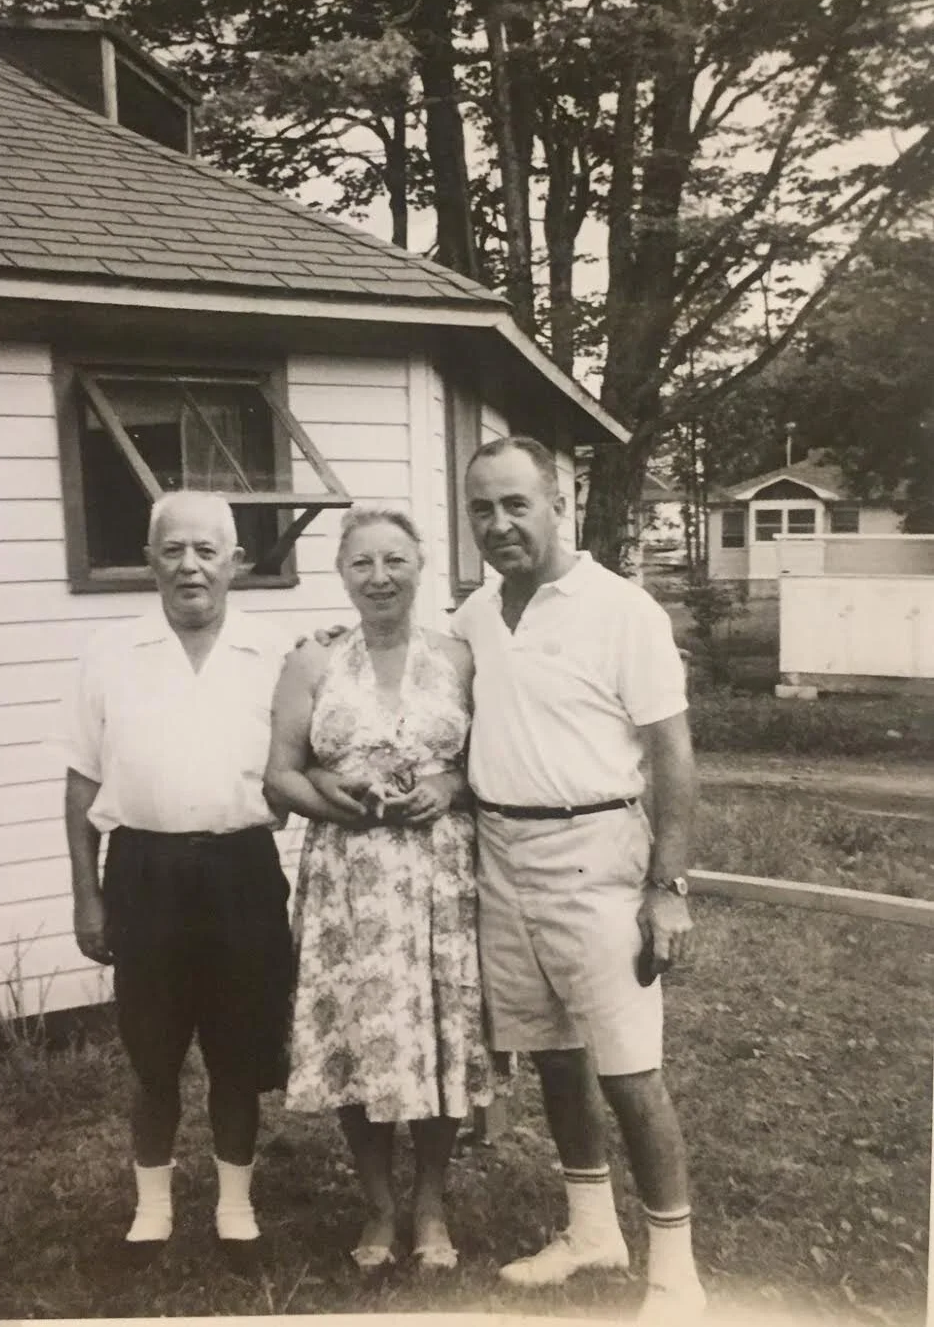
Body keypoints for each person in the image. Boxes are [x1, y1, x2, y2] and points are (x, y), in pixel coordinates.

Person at [451, 435, 705, 1325]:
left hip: (598, 853)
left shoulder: (621, 609)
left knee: (630, 1070)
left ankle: (675, 1270)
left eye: (516, 504)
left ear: (558, 501)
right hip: (501, 855)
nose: (499, 523)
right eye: (481, 508)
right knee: (555, 1055)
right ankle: (592, 1229)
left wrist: (667, 886)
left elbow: (672, 751)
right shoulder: (475, 616)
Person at [62, 491, 293, 1266]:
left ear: (235, 563)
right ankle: (152, 1211)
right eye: (172, 551)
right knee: (152, 1055)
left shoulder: (276, 654)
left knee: (237, 1051)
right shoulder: (110, 653)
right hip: (144, 871)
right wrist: (86, 896)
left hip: (241, 873)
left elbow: (298, 770)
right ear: (150, 561)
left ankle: (235, 1209)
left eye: (206, 551)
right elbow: (81, 785)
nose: (189, 566)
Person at [263, 507, 494, 1274]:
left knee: (437, 1036)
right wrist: (341, 801)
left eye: (395, 561)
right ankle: (377, 1205)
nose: (380, 577)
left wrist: (449, 783)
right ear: (342, 574)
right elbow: (281, 774)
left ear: (421, 568)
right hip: (348, 880)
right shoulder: (313, 663)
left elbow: (490, 761)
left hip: (439, 877)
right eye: (363, 564)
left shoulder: (459, 658)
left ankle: (429, 1203)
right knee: (359, 1037)